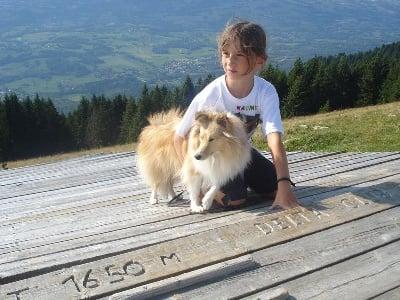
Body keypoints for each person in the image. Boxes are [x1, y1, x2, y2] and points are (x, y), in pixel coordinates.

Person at [173, 20, 301, 210]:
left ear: (260, 60)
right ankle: (216, 188)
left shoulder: (265, 91)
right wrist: (195, 181)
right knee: (235, 199)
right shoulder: (211, 94)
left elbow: (274, 139)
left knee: (276, 187)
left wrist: (284, 183)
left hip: (240, 154)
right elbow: (179, 137)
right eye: (225, 53)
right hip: (212, 160)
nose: (229, 61)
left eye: (239, 55)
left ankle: (240, 180)